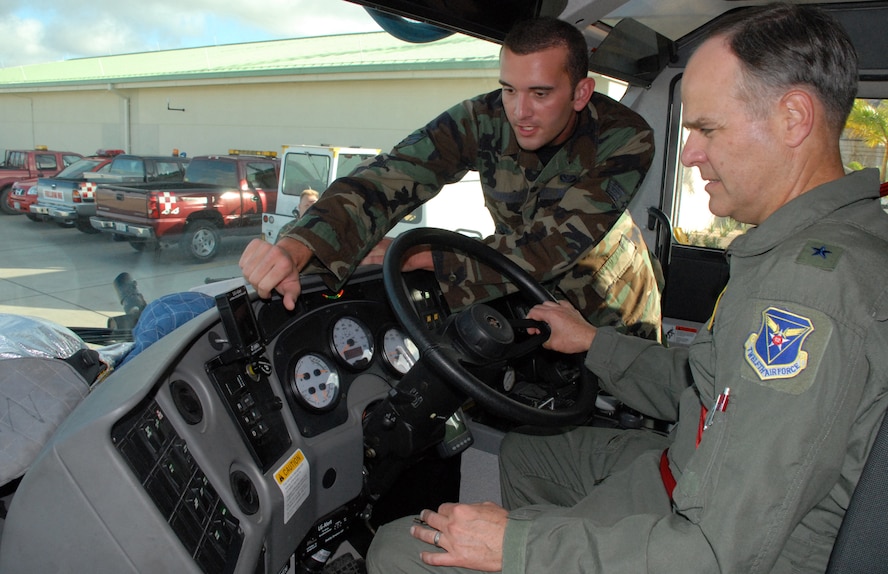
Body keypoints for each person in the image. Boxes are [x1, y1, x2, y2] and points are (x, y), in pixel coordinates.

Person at [366, 4, 888, 573]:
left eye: (707, 129)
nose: (688, 153)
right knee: (526, 454)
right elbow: (710, 385)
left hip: (704, 539)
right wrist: (593, 342)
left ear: (793, 118)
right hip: (688, 466)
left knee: (397, 548)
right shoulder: (818, 245)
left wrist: (516, 547)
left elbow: (715, 555)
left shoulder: (807, 293)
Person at [240, 16, 662, 341]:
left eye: (540, 93)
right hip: (520, 298)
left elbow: (553, 244)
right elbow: (391, 175)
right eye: (509, 89)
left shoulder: (625, 137)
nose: (519, 112)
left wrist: (421, 255)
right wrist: (299, 246)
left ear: (581, 93)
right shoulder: (483, 118)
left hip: (614, 311)